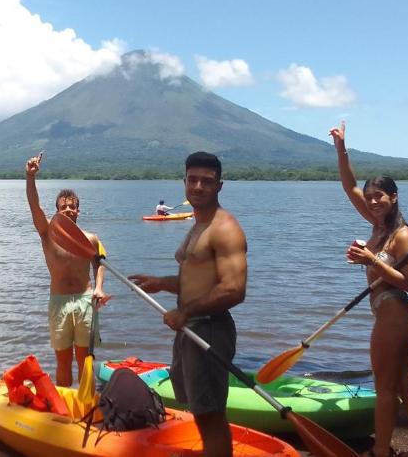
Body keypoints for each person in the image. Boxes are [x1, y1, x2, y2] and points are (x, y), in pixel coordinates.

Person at [128, 151, 247, 457]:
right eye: (192, 179)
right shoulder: (197, 224)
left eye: (207, 181)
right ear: (184, 182)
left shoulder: (225, 228)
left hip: (208, 330)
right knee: (199, 409)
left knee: (211, 416)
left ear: (220, 186)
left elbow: (234, 289)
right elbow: (197, 280)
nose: (198, 186)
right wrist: (163, 283)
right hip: (191, 328)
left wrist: (186, 312)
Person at [330, 121, 408, 457]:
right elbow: (348, 186)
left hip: (395, 310)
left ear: (394, 197)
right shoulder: (376, 224)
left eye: (380, 197)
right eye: (370, 196)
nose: (373, 201)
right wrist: (341, 148)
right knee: (405, 383)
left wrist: (370, 260)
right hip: (393, 312)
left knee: (385, 387)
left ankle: (380, 450)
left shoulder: (402, 235)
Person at [25, 152, 111, 387]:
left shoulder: (90, 239)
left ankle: (86, 407)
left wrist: (99, 288)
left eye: (73, 207)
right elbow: (35, 208)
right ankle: (63, 414)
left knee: (85, 361)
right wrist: (30, 177)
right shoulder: (48, 235)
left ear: (79, 210)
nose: (69, 210)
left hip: (85, 300)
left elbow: (100, 263)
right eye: (64, 208)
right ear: (57, 211)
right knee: (63, 362)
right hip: (59, 302)